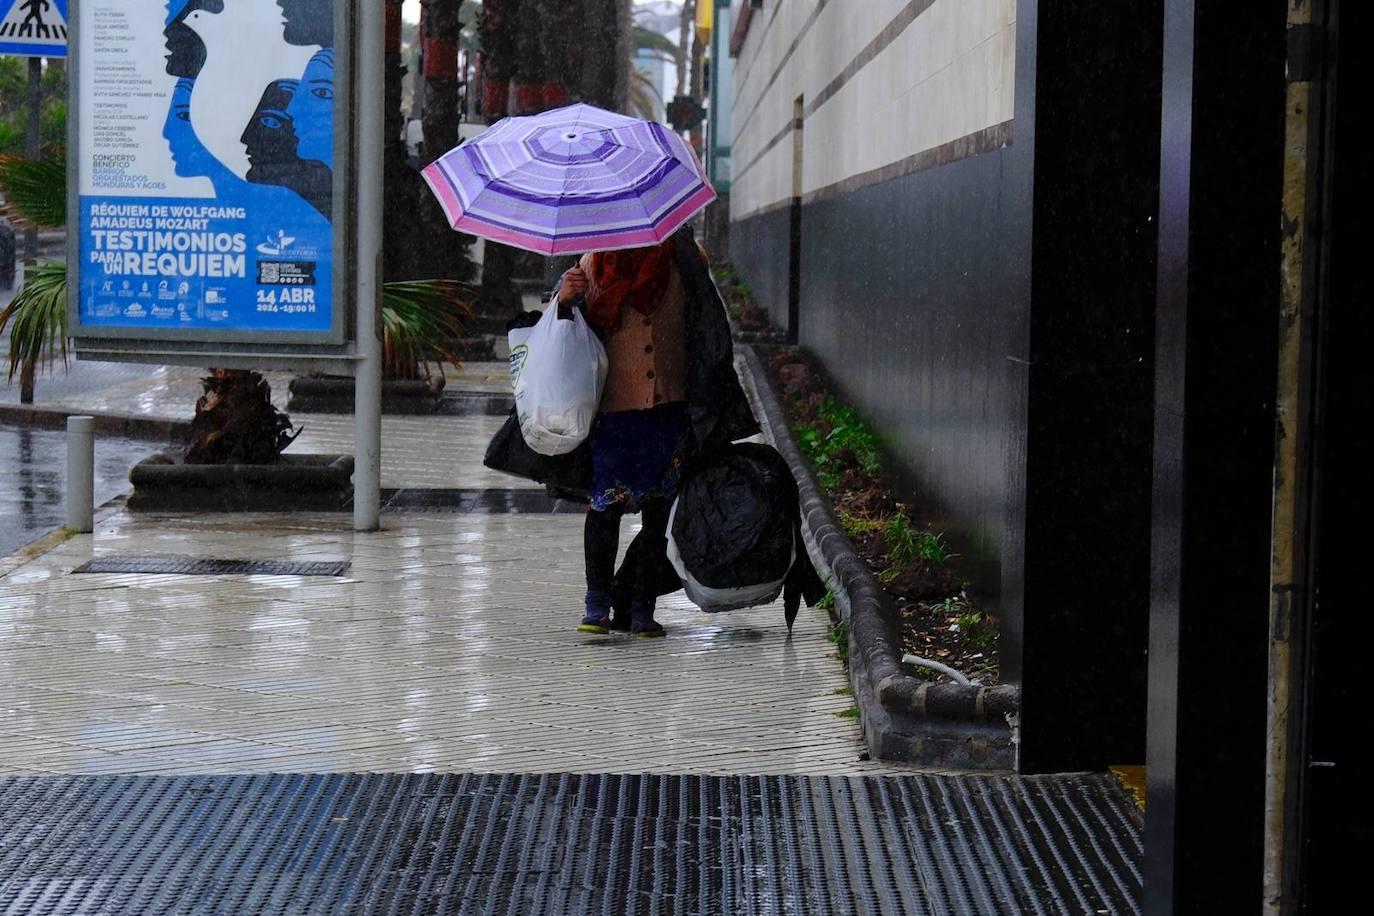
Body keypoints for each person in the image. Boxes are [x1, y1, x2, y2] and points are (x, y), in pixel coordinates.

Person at [485, 227, 759, 637]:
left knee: (658, 515)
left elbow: (706, 323)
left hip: (672, 411)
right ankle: (596, 604)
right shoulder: (594, 262)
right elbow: (567, 331)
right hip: (613, 414)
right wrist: (565, 298)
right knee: (604, 508)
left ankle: (641, 605)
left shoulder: (686, 256)